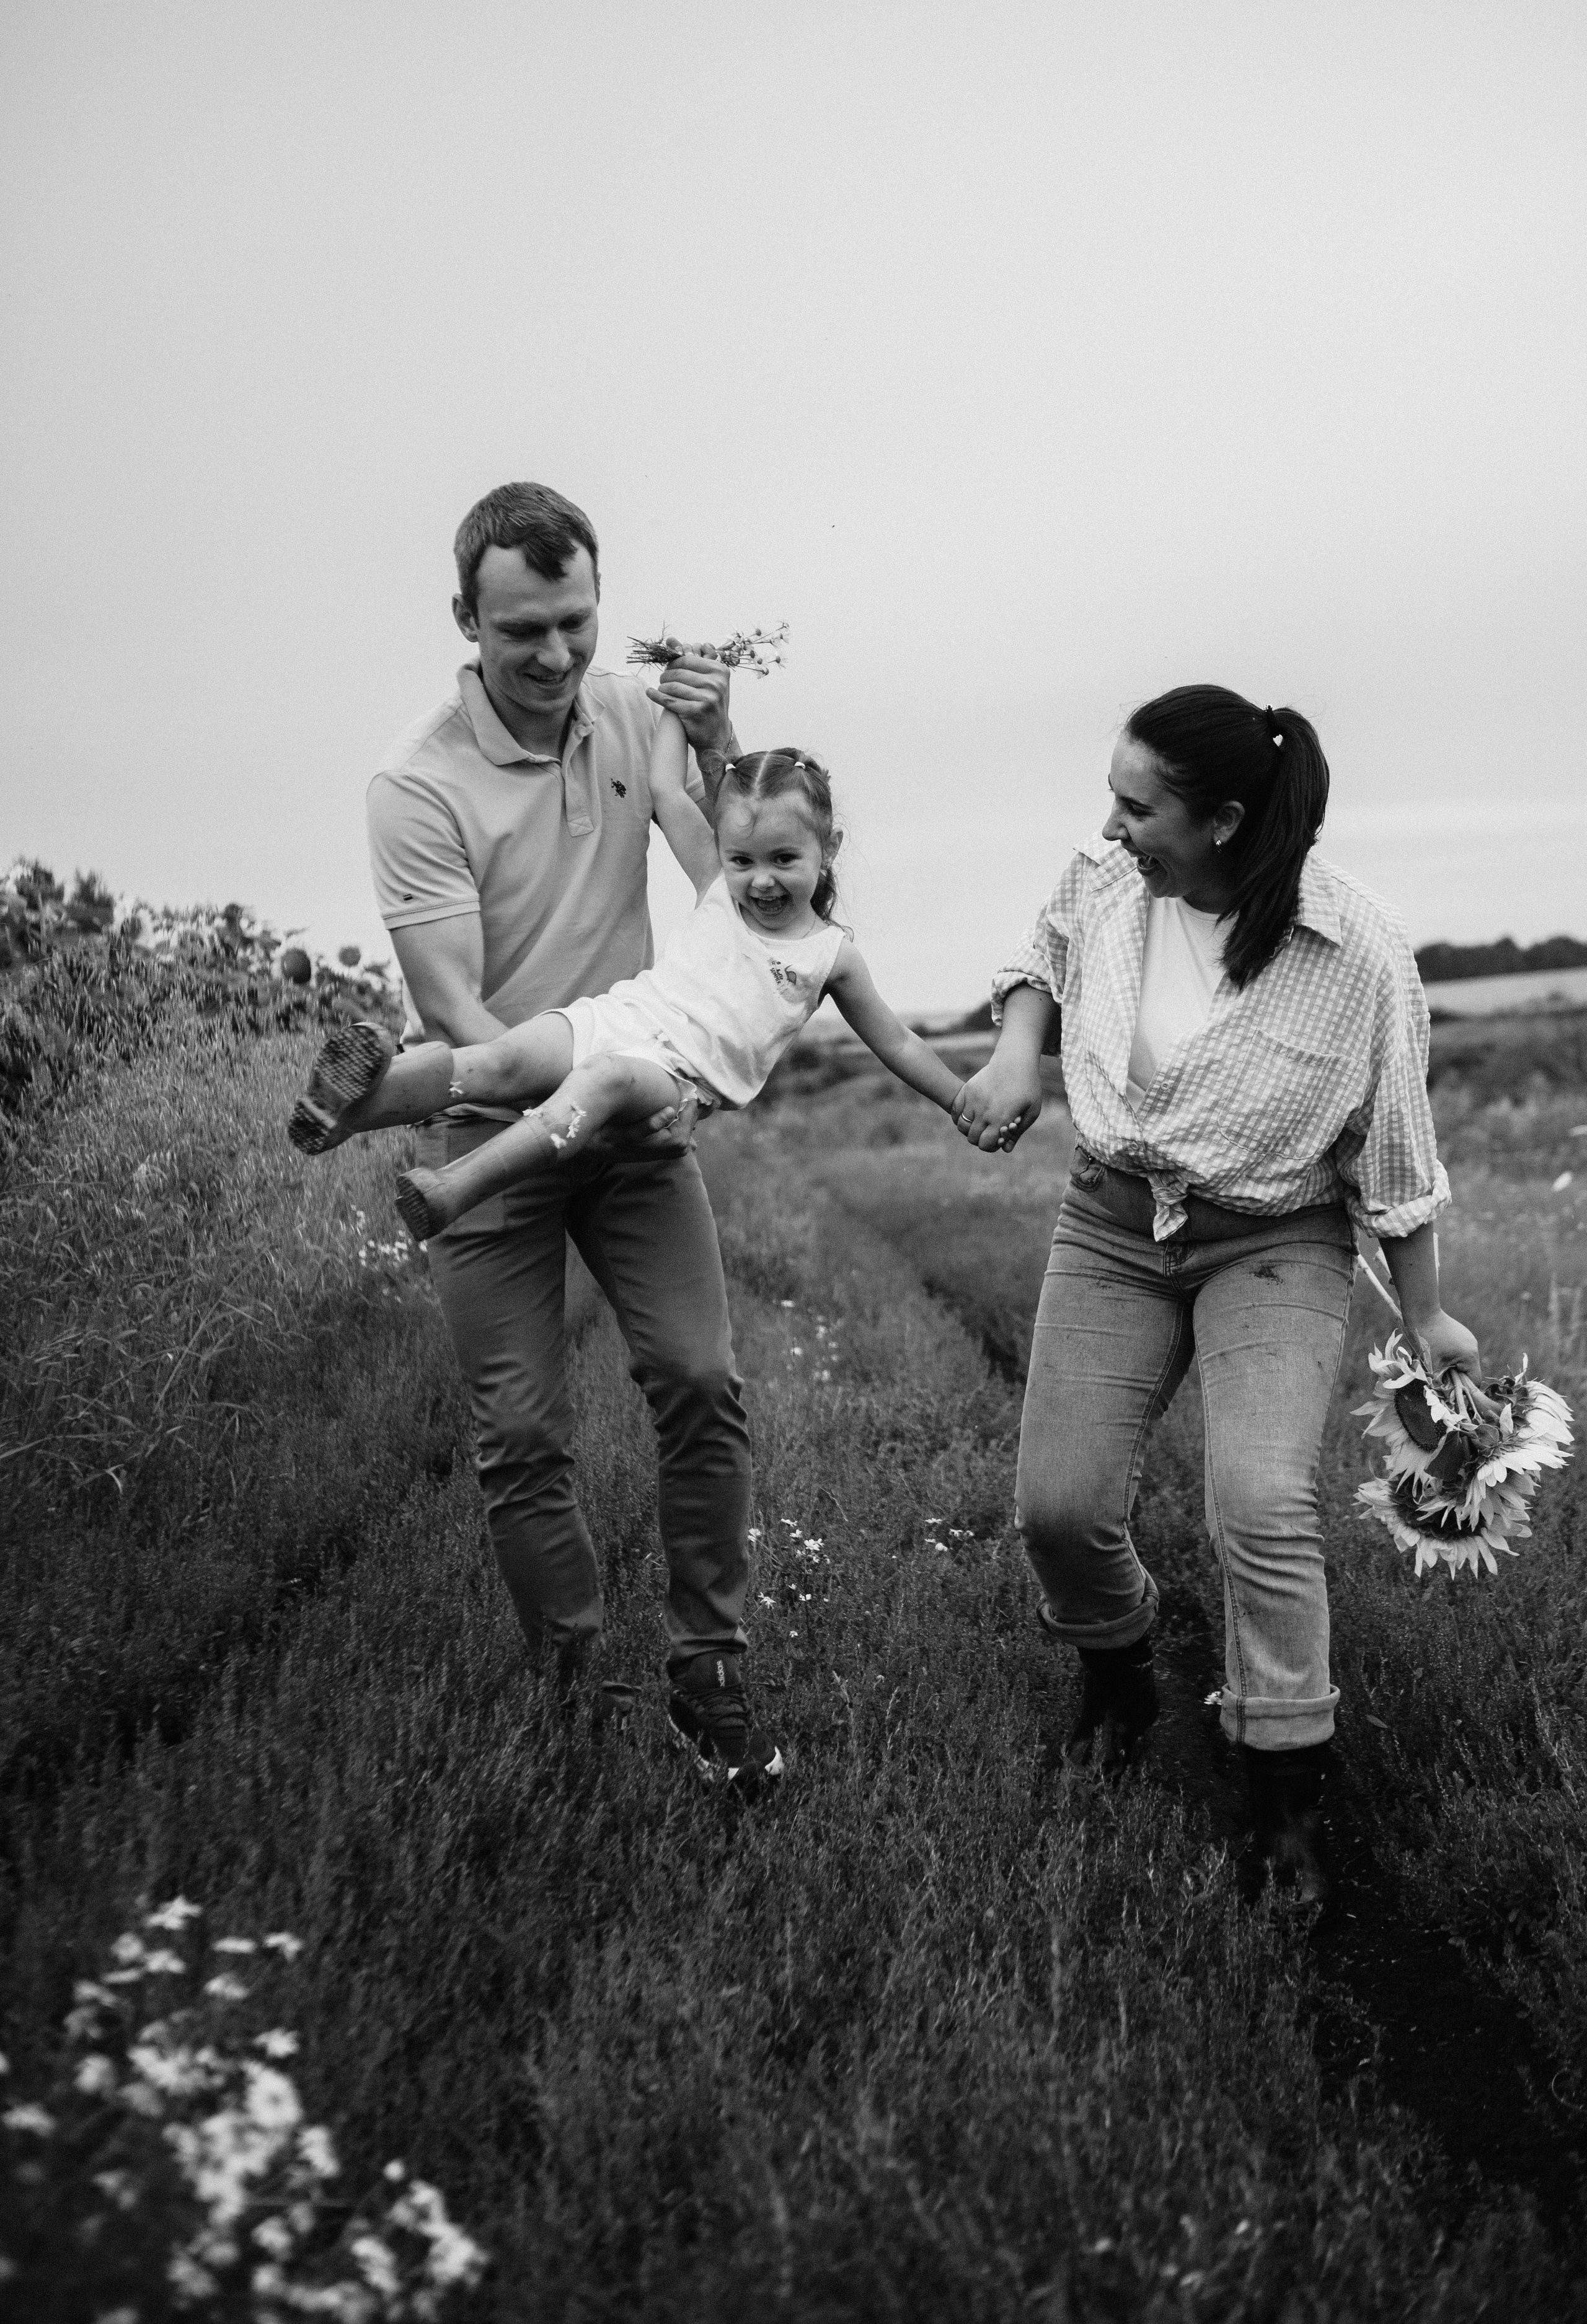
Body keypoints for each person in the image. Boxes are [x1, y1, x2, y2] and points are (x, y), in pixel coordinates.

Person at [955, 684, 1479, 1903]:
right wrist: (1014, 1050)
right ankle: (1117, 1659)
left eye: (1136, 806)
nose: (1109, 824)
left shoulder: (1351, 948)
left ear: (1225, 820)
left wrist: (1425, 1309)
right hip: (1111, 1221)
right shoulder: (1101, 879)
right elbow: (1041, 951)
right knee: (1057, 1506)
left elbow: (1391, 1138)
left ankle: (1281, 1786)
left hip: (1275, 1239)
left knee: (1257, 1500)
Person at [355, 480, 779, 1789]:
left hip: (634, 1113)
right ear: (464, 621)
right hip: (500, 1114)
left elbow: (729, 899)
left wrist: (718, 748)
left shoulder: (631, 712)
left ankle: (706, 1666)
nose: (553, 658)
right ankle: (570, 1682)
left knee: (702, 1382)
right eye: (522, 630)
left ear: (602, 605)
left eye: (575, 624)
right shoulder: (416, 786)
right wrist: (556, 1102)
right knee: (518, 1435)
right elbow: (454, 1007)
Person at [292, 724, 967, 1238]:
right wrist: (670, 709)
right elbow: (667, 789)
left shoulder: (830, 956)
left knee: (605, 1080)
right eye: (743, 859)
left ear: (830, 851)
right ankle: (342, 1114)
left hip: (675, 1075)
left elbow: (899, 1045)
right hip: (616, 1017)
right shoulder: (717, 891)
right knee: (499, 1061)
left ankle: (452, 1189)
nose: (760, 879)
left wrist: (961, 1101)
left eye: (785, 859)